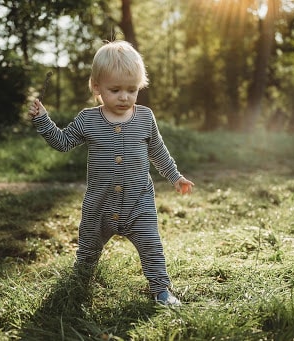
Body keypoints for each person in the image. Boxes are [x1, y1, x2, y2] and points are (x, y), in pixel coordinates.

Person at [28, 40, 194, 306]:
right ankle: (80, 284)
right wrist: (43, 120)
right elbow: (62, 142)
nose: (124, 97)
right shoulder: (88, 119)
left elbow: (158, 151)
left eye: (132, 90)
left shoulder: (145, 117)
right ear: (97, 87)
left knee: (152, 246)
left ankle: (161, 289)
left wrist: (175, 176)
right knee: (88, 250)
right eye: (115, 90)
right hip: (99, 205)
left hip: (139, 203)